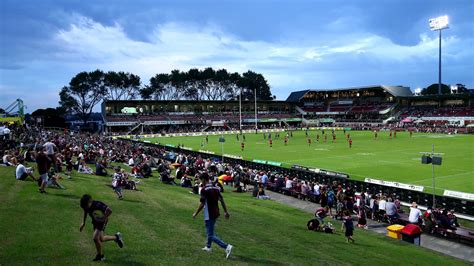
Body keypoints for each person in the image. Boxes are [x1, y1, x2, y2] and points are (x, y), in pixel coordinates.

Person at [192, 173, 233, 259]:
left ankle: (227, 247)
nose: (200, 181)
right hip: (216, 212)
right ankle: (208, 247)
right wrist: (225, 211)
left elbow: (202, 203)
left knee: (210, 234)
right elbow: (221, 200)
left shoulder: (204, 189)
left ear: (203, 179)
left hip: (209, 213)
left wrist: (196, 213)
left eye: (200, 179)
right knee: (210, 230)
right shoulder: (216, 188)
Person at [79, 194, 124, 261]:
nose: (86, 208)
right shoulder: (85, 206)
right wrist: (83, 222)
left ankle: (100, 256)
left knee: (95, 238)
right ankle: (117, 237)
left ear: (90, 202)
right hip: (95, 221)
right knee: (101, 239)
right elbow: (85, 211)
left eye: (86, 206)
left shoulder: (98, 204)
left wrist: (104, 218)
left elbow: (109, 211)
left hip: (102, 222)